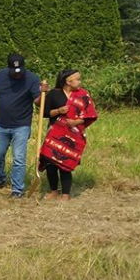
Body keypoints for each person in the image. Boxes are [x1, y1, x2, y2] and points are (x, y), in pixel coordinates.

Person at [0, 53, 43, 198]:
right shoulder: (1, 75)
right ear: (9, 68)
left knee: (18, 158)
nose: (17, 75)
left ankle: (17, 189)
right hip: (2, 124)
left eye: (20, 71)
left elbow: (37, 100)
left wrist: (43, 94)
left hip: (21, 125)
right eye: (14, 72)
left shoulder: (32, 78)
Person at [40, 69, 98, 201]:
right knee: (51, 163)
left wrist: (76, 121)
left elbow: (90, 115)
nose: (80, 81)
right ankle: (54, 191)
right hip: (55, 133)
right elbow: (45, 113)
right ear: (68, 81)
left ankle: (66, 194)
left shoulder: (83, 95)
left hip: (73, 134)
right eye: (77, 79)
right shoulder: (54, 94)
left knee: (65, 163)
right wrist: (59, 111)